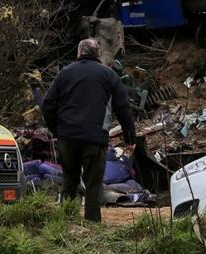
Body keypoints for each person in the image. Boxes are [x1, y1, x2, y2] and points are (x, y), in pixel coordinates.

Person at [42, 38, 137, 222]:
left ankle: (66, 222)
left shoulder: (65, 74)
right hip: (94, 139)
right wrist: (130, 137)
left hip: (67, 138)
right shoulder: (108, 75)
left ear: (79, 53)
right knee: (93, 183)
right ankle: (92, 224)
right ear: (98, 54)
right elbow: (123, 108)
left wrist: (57, 130)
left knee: (69, 179)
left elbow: (47, 105)